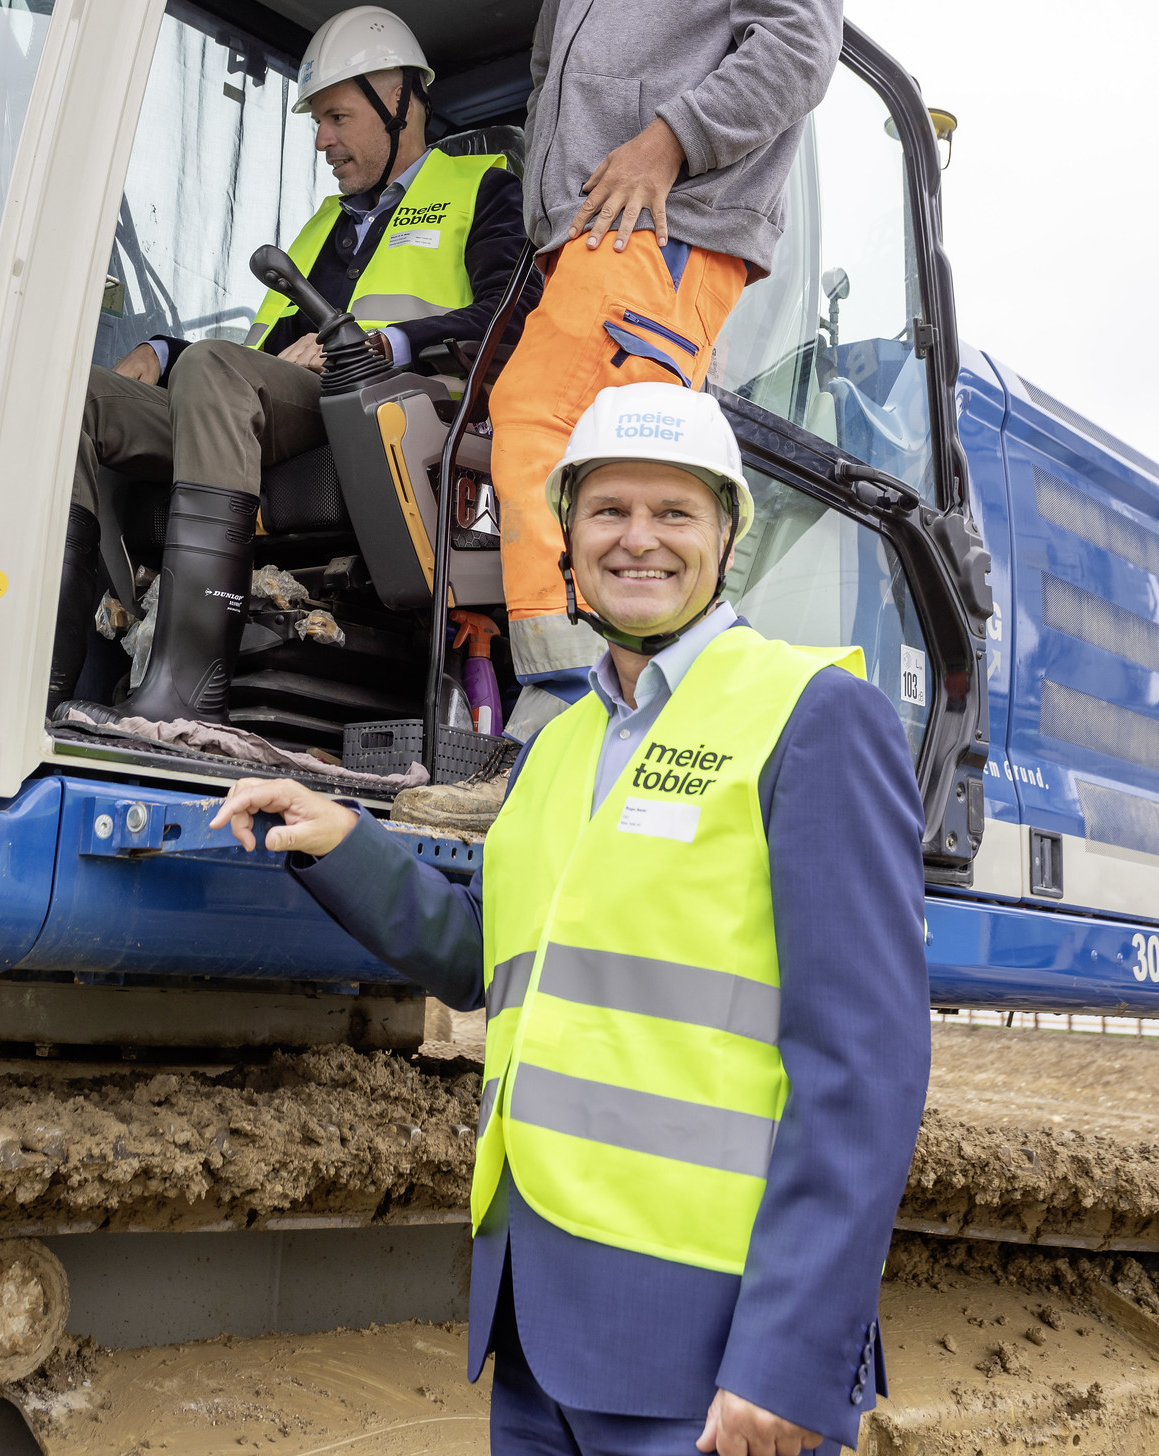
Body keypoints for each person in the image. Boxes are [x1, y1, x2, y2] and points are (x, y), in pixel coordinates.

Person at [209, 384, 931, 1456]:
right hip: (538, 1322)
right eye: (609, 511)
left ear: (728, 534)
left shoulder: (812, 715)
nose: (639, 538)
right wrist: (342, 841)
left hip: (704, 1343)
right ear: (569, 538)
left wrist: (791, 1358)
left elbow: (864, 1064)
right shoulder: (558, 745)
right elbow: (489, 959)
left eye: (674, 512)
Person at [489, 0, 847, 736]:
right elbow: (554, 77)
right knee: (565, 457)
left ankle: (566, 720)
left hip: (669, 226)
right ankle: (562, 709)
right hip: (582, 242)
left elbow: (798, 40)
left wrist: (668, 142)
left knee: (559, 440)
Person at [49, 4, 534, 723]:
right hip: (281, 402)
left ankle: (189, 682)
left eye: (335, 117)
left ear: (396, 98)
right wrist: (162, 351)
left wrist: (379, 344)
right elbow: (253, 358)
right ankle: (53, 673)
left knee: (214, 371)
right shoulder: (317, 230)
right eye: (316, 122)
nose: (320, 141)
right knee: (76, 396)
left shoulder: (484, 188)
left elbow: (507, 315)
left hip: (389, 408)